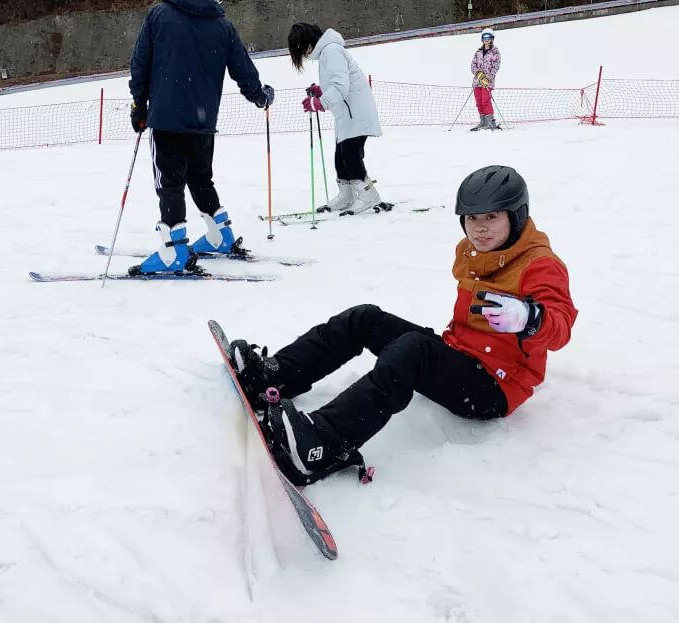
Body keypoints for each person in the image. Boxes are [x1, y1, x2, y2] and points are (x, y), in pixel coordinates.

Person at [226, 166, 578, 485]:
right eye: (471, 218)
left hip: (495, 386)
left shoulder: (539, 264)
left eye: (492, 216)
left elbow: (561, 325)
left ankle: (321, 444)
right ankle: (276, 375)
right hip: (460, 355)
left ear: (517, 215)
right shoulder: (475, 251)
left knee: (413, 351)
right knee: (365, 318)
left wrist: (531, 319)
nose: (480, 227)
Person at [128, 0, 275, 274]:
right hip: (203, 121)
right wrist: (260, 96)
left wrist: (139, 103)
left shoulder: (159, 14)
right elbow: (243, 69)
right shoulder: (222, 26)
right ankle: (220, 235)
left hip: (167, 119)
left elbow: (141, 61)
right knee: (200, 178)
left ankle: (173, 252)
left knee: (170, 183)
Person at [288, 23, 387, 215]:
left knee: (350, 155)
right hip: (347, 114)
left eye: (302, 49)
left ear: (308, 43)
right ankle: (346, 195)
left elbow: (341, 86)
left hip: (356, 113)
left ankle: (368, 195)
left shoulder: (331, 51)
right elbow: (338, 82)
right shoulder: (327, 52)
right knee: (340, 158)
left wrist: (321, 102)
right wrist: (322, 91)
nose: (305, 55)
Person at [470, 28, 502, 132]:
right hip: (477, 81)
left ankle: (490, 122)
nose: (486, 40)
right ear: (482, 39)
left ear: (492, 39)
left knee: (485, 101)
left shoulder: (495, 52)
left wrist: (487, 77)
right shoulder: (478, 52)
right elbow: (473, 64)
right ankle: (483, 121)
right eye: (484, 37)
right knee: (479, 101)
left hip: (487, 82)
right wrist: (478, 73)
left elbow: (496, 66)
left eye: (489, 37)